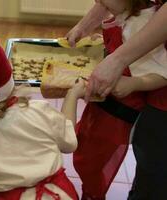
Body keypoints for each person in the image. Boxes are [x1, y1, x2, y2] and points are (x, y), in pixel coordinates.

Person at [0, 37, 84, 200]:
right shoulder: (38, 111)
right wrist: (72, 95)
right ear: (9, 78)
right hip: (59, 194)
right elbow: (69, 142)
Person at [66, 0, 167, 199]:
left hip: (120, 113)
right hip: (105, 106)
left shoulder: (142, 25)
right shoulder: (122, 11)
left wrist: (133, 83)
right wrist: (83, 27)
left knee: (98, 159)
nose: (97, 2)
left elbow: (162, 73)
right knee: (87, 151)